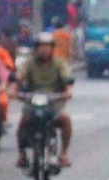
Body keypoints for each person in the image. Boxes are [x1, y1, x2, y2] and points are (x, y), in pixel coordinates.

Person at [17, 32, 75, 168]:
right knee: (23, 123)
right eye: (41, 47)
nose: (44, 50)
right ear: (36, 49)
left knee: (65, 120)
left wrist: (68, 91)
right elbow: (19, 76)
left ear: (52, 48)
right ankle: (22, 155)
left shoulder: (59, 63)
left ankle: (64, 154)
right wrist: (14, 89)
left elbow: (67, 78)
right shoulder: (29, 63)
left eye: (47, 47)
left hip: (54, 102)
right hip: (33, 102)